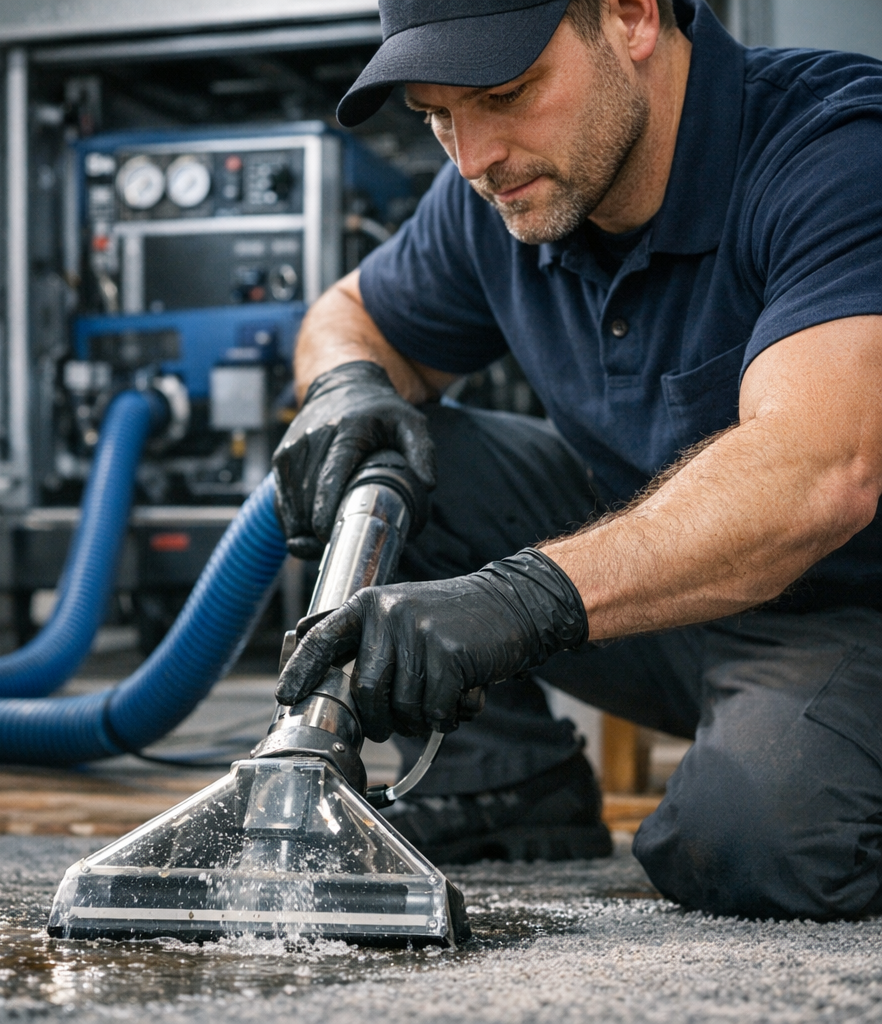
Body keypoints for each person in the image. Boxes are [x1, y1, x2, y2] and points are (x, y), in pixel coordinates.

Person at [272, 0, 882, 920]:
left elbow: (817, 472)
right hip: (672, 614)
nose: (474, 158)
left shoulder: (837, 149)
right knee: (366, 447)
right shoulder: (507, 189)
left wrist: (521, 598)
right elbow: (346, 315)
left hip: (850, 608)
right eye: (438, 117)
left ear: (632, 16)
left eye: (506, 93)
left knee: (749, 841)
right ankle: (504, 781)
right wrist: (344, 386)